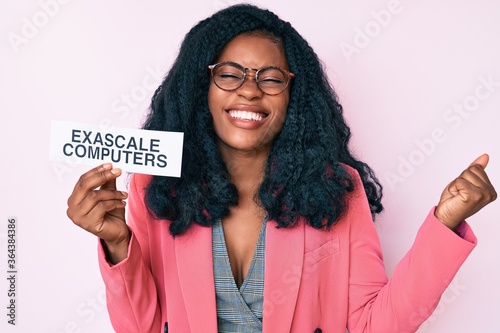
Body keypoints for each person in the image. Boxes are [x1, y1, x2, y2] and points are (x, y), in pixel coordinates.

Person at [66, 4, 496, 333]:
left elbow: (374, 324)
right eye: (230, 74)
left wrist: (446, 221)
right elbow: (139, 327)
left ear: (294, 95)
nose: (250, 91)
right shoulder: (157, 186)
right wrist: (118, 244)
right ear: (201, 88)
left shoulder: (335, 190)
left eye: (270, 78)